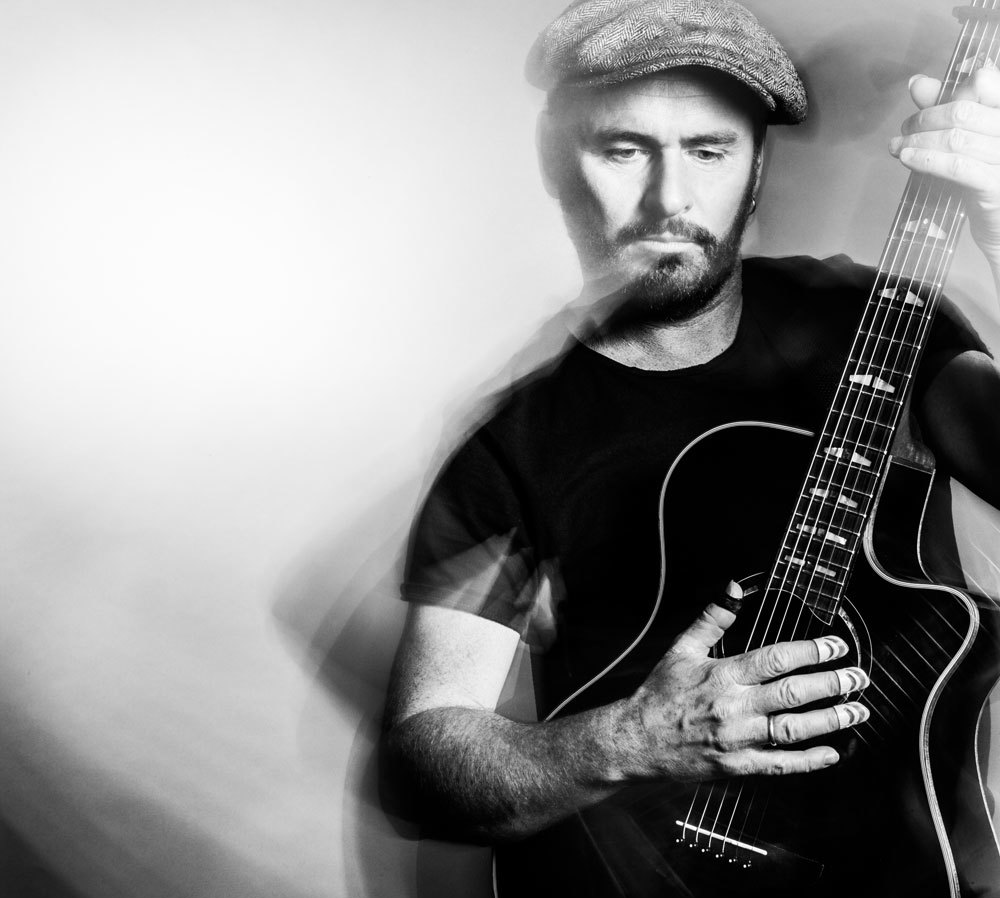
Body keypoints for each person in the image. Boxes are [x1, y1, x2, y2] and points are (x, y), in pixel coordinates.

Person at [383, 0, 1000, 848]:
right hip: (651, 890)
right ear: (557, 163)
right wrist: (632, 741)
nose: (668, 198)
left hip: (917, 883)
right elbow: (421, 758)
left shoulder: (879, 319)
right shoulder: (510, 443)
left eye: (708, 151)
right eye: (623, 149)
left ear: (756, 170)